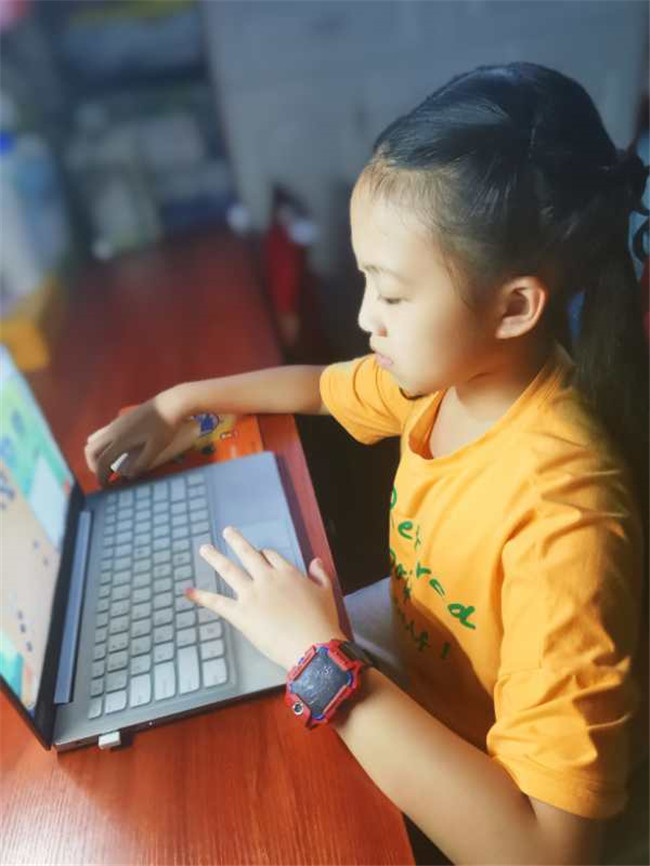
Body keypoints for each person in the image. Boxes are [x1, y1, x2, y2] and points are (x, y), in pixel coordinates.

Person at [84, 62, 648, 865]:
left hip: (485, 794)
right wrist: (181, 401)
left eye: (391, 293)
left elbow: (545, 851)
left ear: (515, 306)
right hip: (430, 681)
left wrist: (323, 664)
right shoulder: (455, 379)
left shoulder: (566, 522)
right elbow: (320, 386)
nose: (362, 317)